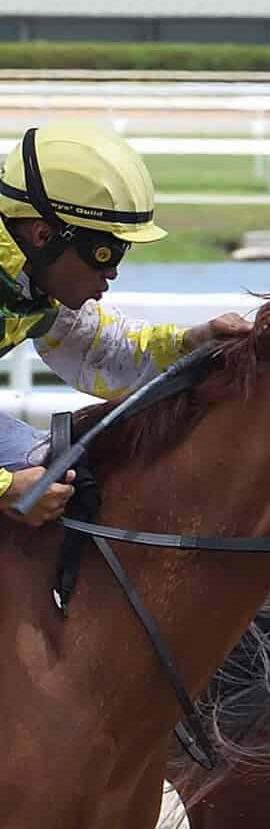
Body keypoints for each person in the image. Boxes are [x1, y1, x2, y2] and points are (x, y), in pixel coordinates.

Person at [0, 121, 246, 528]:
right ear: (44, 235)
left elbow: (99, 349)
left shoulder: (27, 282)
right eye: (104, 252)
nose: (112, 273)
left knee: (58, 472)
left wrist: (191, 343)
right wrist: (5, 488)